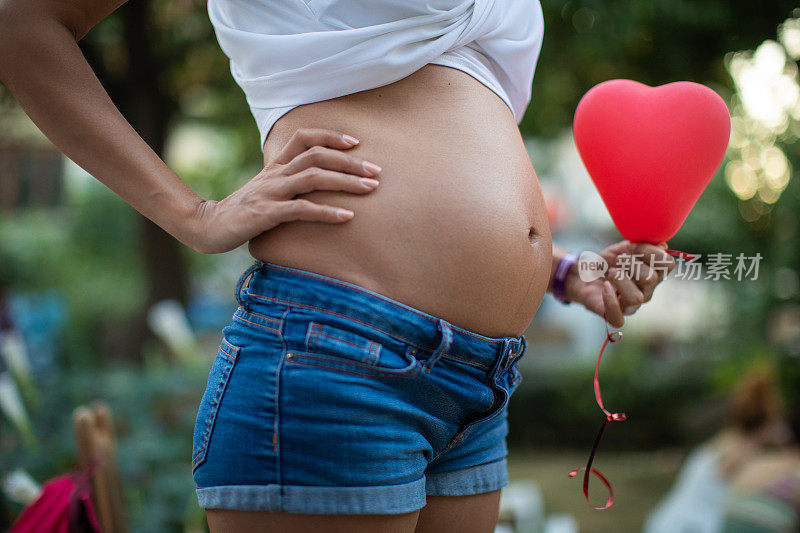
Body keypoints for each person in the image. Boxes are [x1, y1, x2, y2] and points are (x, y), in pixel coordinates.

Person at [0, 1, 674, 531]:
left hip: (480, 382)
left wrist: (554, 267)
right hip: (335, 357)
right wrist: (194, 214)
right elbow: (24, 24)